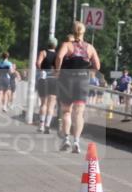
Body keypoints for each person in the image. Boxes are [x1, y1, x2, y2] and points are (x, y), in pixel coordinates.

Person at [55, 21, 101, 153]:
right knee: (79, 113)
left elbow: (59, 56)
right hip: (82, 80)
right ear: (83, 32)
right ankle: (76, 141)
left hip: (67, 79)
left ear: (73, 31)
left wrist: (58, 70)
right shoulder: (89, 48)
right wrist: (89, 71)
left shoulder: (67, 45)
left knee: (66, 111)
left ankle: (66, 139)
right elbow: (97, 66)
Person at [35, 39, 58, 133]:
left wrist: (41, 70)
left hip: (44, 79)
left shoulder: (43, 53)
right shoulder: (58, 55)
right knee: (51, 105)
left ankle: (41, 125)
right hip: (54, 79)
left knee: (43, 103)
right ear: (55, 45)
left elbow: (38, 63)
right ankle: (48, 125)